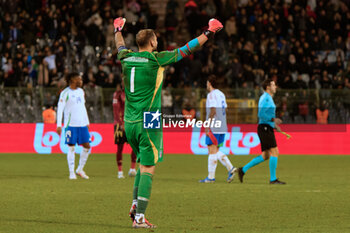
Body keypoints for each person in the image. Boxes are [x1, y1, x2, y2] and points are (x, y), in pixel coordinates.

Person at [114, 17, 223, 228]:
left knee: (142, 165)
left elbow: (119, 44)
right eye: (156, 40)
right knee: (148, 168)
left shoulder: (125, 57)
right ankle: (139, 218)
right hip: (149, 119)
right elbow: (186, 49)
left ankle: (136, 207)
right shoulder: (156, 59)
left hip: (129, 120)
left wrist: (117, 29)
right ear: (153, 43)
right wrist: (209, 32)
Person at [237, 79, 286, 185]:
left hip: (266, 127)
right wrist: (273, 120)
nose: (275, 87)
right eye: (273, 85)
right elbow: (261, 114)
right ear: (268, 87)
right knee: (275, 152)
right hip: (264, 128)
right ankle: (273, 179)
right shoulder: (266, 98)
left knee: (266, 155)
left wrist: (274, 125)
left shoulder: (268, 98)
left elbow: (266, 115)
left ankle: (243, 170)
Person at [199, 75, 236, 183]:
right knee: (216, 150)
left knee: (211, 149)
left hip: (214, 125)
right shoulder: (221, 94)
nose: (206, 85)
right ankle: (230, 168)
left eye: (207, 83)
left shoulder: (211, 95)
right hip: (222, 125)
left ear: (209, 83)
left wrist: (207, 125)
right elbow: (225, 108)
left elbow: (213, 110)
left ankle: (211, 178)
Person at [56, 72, 91, 180]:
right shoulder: (65, 93)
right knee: (71, 147)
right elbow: (60, 109)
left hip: (82, 124)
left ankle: (80, 169)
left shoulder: (81, 91)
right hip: (70, 124)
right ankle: (71, 172)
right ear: (72, 80)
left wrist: (87, 121)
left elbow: (83, 107)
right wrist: (58, 124)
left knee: (87, 146)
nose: (81, 81)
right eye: (79, 79)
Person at [113, 83, 137, 179]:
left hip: (132, 123)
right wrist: (121, 123)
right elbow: (115, 110)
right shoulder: (118, 94)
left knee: (135, 145)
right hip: (120, 125)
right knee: (120, 148)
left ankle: (132, 169)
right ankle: (120, 172)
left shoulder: (133, 94)